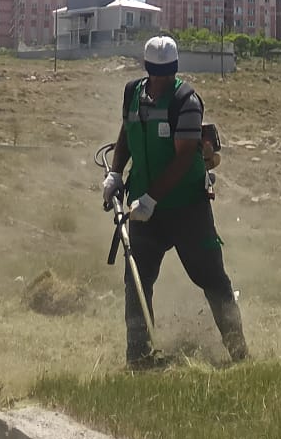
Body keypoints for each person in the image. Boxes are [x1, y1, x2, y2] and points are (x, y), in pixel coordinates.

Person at [102, 34, 248, 369]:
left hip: (187, 208)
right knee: (137, 281)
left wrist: (151, 199)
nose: (163, 79)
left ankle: (238, 353)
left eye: (168, 73)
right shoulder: (132, 93)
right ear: (148, 69)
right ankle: (139, 357)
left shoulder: (186, 101)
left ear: (175, 69)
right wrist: (116, 174)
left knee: (212, 279)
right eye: (157, 73)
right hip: (143, 210)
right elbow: (126, 133)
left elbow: (183, 158)